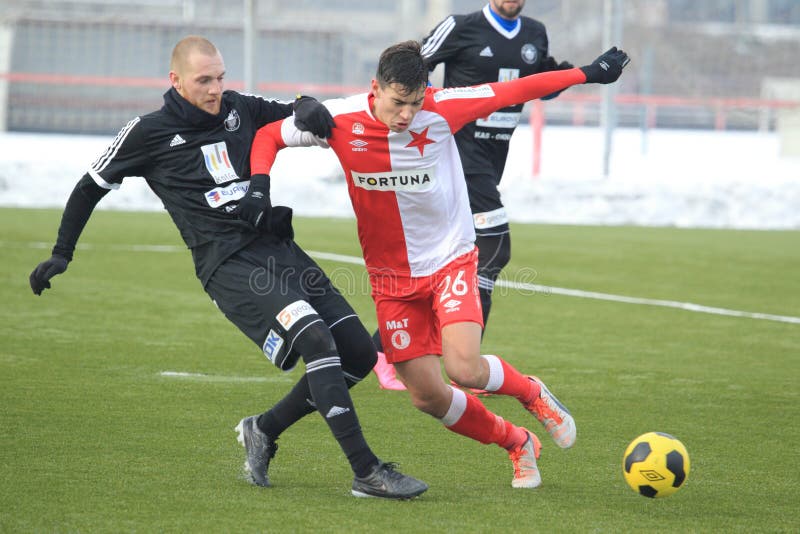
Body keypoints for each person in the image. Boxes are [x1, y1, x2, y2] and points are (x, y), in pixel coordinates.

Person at [28, 35, 427, 500]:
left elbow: (293, 109)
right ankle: (367, 471)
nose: (216, 89)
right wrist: (62, 252)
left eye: (220, 77)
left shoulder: (239, 107)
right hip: (230, 266)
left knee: (358, 355)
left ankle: (264, 428)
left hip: (280, 251)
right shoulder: (147, 132)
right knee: (317, 339)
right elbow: (90, 185)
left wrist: (308, 103)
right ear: (175, 81)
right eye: (204, 80)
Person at [250, 40, 629, 488]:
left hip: (450, 258)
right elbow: (267, 135)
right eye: (397, 103)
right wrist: (259, 186)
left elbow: (517, 90)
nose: (407, 115)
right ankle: (516, 442)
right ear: (375, 89)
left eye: (414, 103)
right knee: (427, 396)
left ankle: (532, 393)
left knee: (464, 368)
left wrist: (587, 73)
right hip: (391, 279)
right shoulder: (338, 119)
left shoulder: (443, 108)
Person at [372, 0, 574, 391]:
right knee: (494, 249)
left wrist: (559, 77)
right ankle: (466, 365)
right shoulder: (460, 26)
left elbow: (534, 84)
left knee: (446, 262)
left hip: (491, 163)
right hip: (455, 157)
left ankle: (384, 350)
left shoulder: (534, 33)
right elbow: (413, 66)